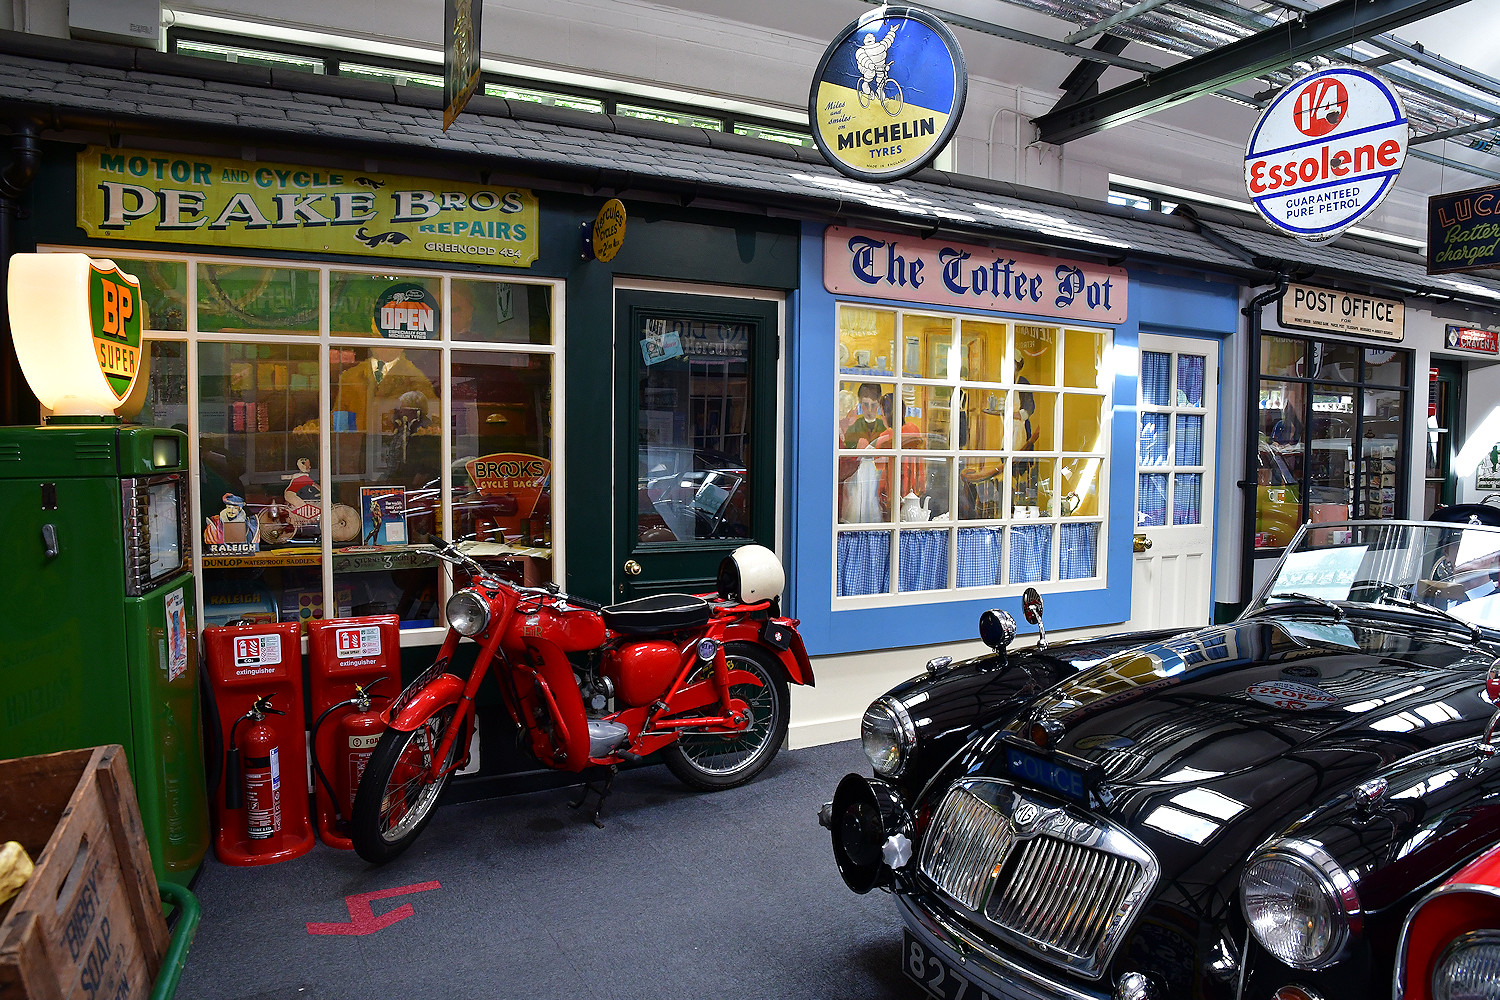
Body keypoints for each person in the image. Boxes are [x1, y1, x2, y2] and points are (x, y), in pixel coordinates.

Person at [855, 25, 898, 98]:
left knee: (882, 76)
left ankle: (880, 89)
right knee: (870, 73)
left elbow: (887, 40)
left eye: (870, 38)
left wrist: (892, 31)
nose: (869, 39)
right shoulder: (861, 50)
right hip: (866, 67)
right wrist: (870, 65)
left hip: (880, 66)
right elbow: (863, 58)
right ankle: (866, 84)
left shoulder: (880, 46)